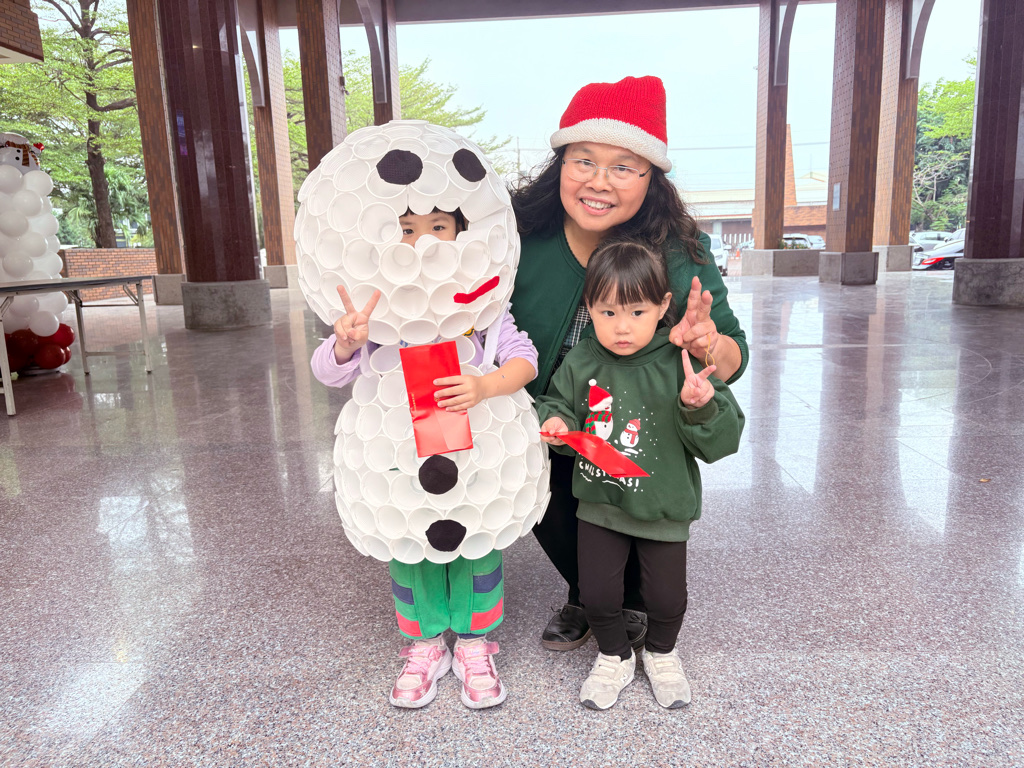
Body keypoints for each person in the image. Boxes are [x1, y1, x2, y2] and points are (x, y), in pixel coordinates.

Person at [509, 75, 750, 651]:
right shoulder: (518, 235)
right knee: (543, 498)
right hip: (546, 410)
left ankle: (630, 599)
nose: (598, 181)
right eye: (583, 160)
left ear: (651, 178)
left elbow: (733, 357)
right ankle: (587, 593)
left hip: (634, 415)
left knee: (627, 505)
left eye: (624, 167)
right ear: (560, 163)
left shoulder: (676, 248)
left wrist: (705, 343)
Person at [311, 206, 538, 710]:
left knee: (477, 543)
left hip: (473, 457)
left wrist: (484, 386)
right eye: (407, 230)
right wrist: (345, 343)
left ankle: (475, 645)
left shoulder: (482, 308)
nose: (423, 242)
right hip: (400, 460)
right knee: (412, 547)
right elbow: (328, 372)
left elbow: (524, 359)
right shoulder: (377, 311)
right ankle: (426, 645)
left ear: (461, 234)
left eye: (438, 227)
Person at [535, 240, 744, 709]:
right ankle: (614, 655)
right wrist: (557, 422)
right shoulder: (582, 360)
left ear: (663, 306)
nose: (622, 326)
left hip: (664, 506)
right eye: (607, 312)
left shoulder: (680, 361)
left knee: (666, 599)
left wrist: (700, 405)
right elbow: (556, 403)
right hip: (601, 505)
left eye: (636, 311)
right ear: (589, 308)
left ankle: (662, 653)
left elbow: (723, 440)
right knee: (597, 595)